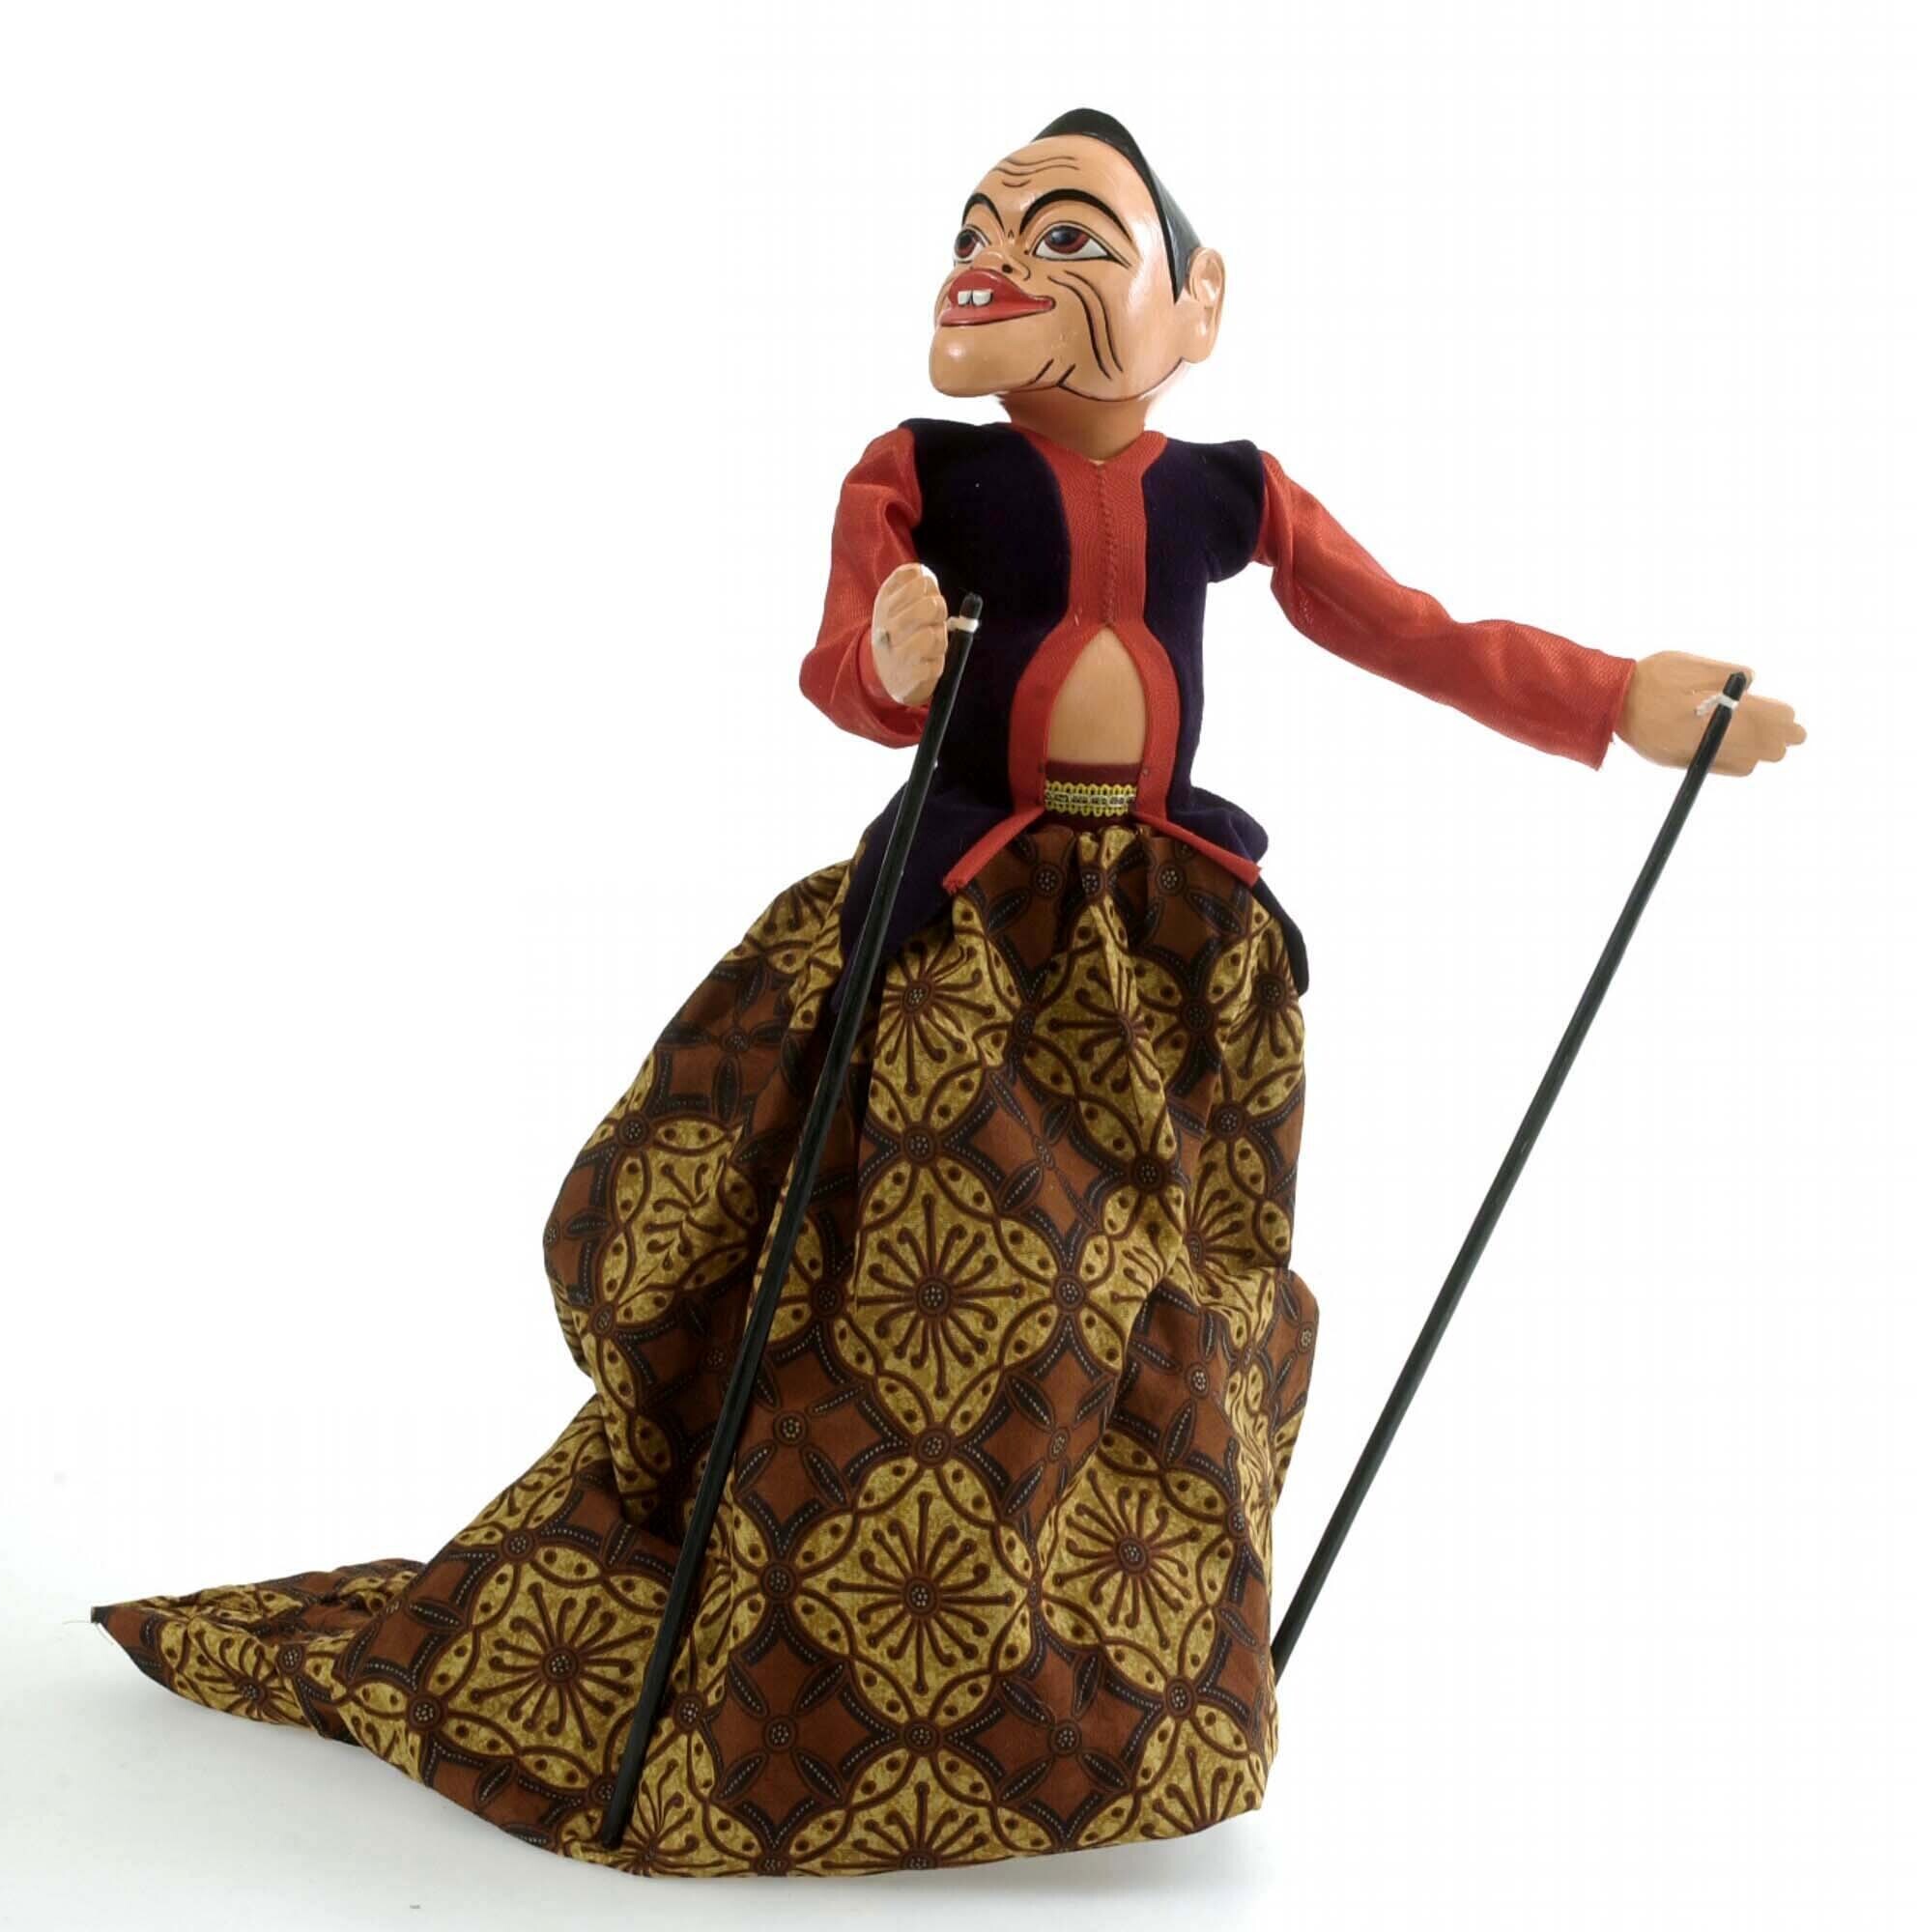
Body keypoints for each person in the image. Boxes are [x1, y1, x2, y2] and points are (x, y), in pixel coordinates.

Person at [93, 107, 1804, 1879]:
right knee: (948, 1295)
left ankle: (1098, 1691)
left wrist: (1616, 699)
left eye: (1069, 235)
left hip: (1166, 963)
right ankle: (828, 1660)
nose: (998, 261)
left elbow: (1404, 626)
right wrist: (891, 659)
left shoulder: (1231, 492)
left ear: (1199, 302)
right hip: (956, 951)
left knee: (1161, 1314)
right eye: (978, 229)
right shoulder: (916, 468)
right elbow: (844, 665)